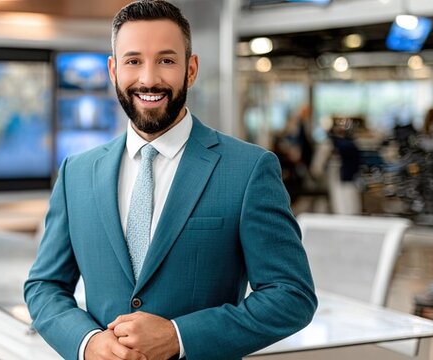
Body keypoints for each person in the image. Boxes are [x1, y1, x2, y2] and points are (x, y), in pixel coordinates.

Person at [24, 1, 317, 359]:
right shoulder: (76, 173)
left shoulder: (248, 169)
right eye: (133, 61)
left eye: (166, 60)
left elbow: (292, 295)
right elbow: (44, 285)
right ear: (114, 70)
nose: (149, 79)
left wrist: (179, 336)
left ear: (190, 70)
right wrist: (88, 344)